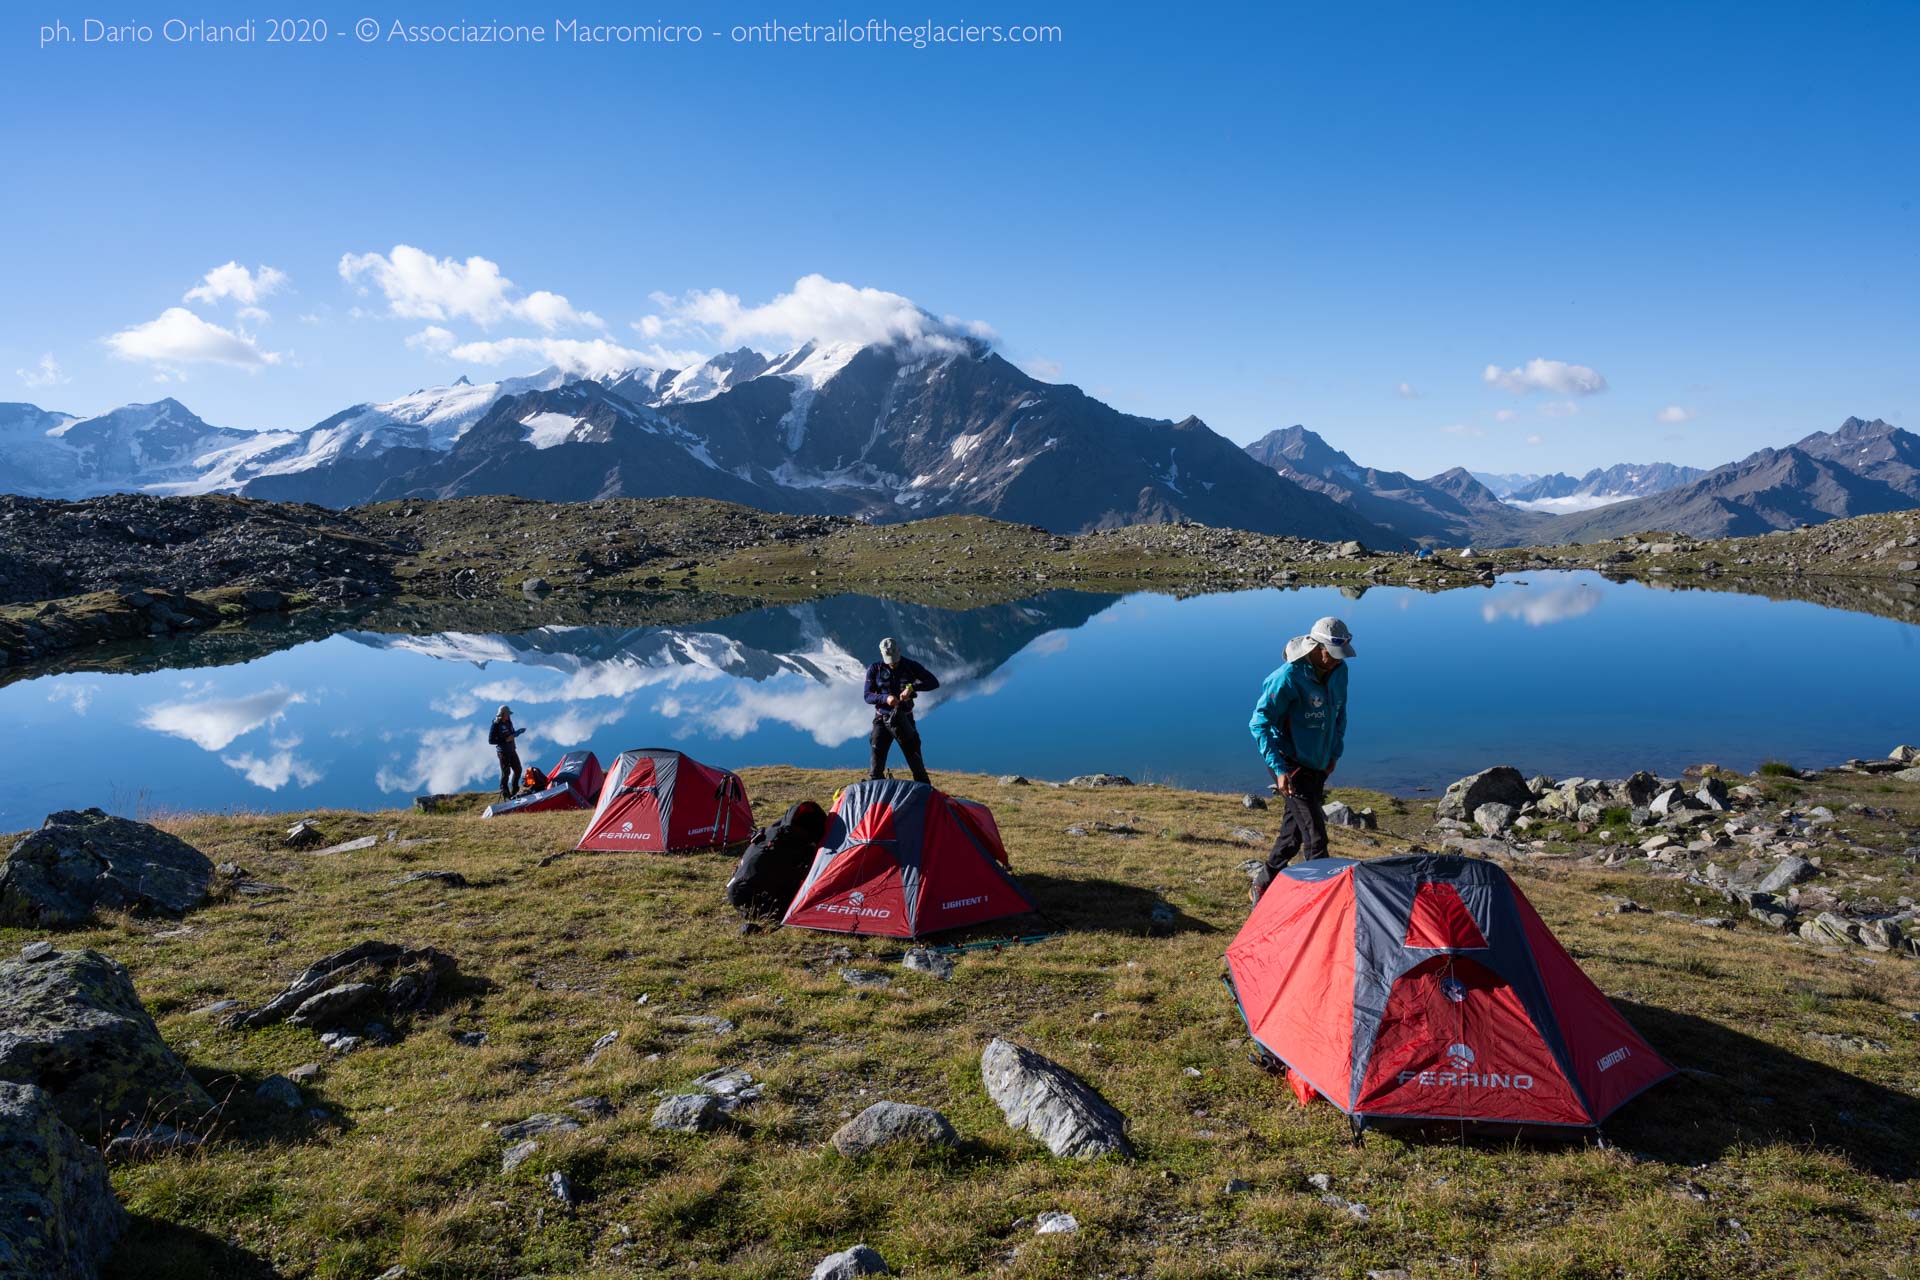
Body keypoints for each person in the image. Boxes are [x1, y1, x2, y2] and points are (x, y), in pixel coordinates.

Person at [1246, 616, 1354, 902]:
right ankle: (1320, 904)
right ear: (1316, 647)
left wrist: (1334, 753)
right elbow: (1259, 723)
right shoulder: (1287, 677)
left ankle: (1263, 882)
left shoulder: (1340, 671)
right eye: (1331, 654)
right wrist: (1279, 769)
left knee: (1293, 834)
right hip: (1289, 762)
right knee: (1316, 836)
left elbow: (1339, 714)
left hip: (1318, 762)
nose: (1336, 660)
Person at [864, 636, 940, 783]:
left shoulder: (911, 666)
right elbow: (867, 696)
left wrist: (911, 688)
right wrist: (885, 698)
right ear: (882, 655)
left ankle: (925, 797)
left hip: (904, 719)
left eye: (895, 659)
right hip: (881, 719)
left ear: (899, 651)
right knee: (876, 766)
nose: (893, 663)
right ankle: (877, 799)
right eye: (889, 660)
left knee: (916, 765)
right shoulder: (874, 669)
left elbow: (933, 682)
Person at [488, 705, 527, 800]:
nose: (509, 716)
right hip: (503, 752)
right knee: (506, 773)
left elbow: (511, 734)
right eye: (507, 714)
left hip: (512, 750)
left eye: (509, 714)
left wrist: (517, 733)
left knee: (518, 770)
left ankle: (515, 791)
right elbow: (491, 741)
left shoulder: (509, 722)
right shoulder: (496, 724)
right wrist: (505, 740)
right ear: (502, 714)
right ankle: (505, 793)